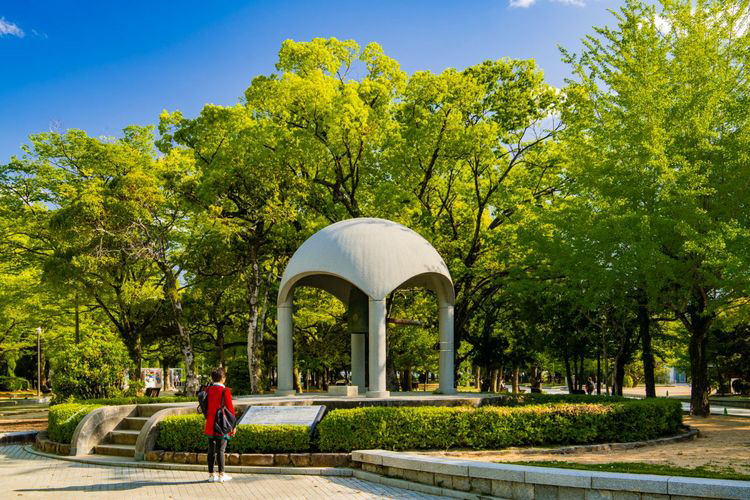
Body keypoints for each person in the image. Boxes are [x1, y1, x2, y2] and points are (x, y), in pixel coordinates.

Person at [203, 367, 236, 483]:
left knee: (211, 450)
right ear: (222, 378)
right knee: (221, 450)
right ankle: (222, 475)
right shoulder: (225, 391)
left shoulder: (207, 389)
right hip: (222, 424)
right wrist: (234, 425)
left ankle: (211, 475)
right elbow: (230, 410)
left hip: (210, 423)